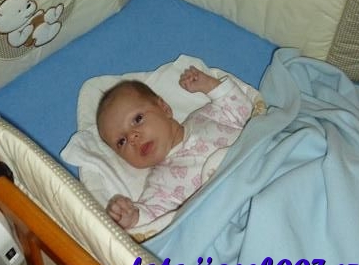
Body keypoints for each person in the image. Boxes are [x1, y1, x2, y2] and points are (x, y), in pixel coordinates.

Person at [96, 65, 256, 231]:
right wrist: (131, 217)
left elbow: (243, 110)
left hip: (259, 165)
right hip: (240, 208)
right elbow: (154, 217)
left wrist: (208, 84)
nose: (132, 137)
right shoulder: (160, 183)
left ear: (164, 108)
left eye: (137, 119)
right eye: (121, 142)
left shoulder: (205, 117)